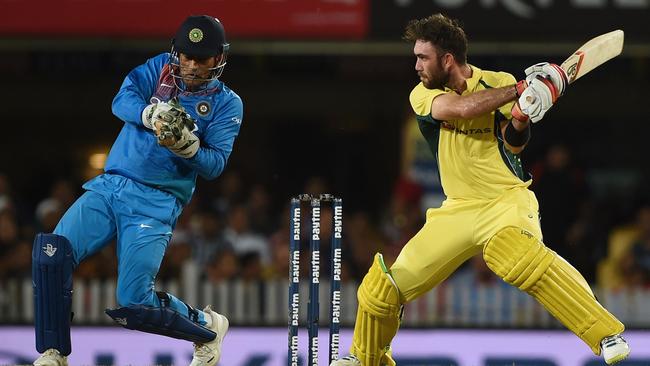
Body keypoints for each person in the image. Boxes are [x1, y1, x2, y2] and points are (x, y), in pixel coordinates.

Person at [332, 14, 629, 366]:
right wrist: (522, 89)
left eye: (422, 58)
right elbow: (459, 109)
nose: (416, 66)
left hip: (507, 200)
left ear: (447, 59)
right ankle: (364, 359)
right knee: (382, 289)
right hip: (457, 209)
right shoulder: (424, 94)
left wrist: (523, 114)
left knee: (516, 257)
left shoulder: (496, 81)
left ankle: (606, 333)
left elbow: (514, 145)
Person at [32, 15, 242, 366]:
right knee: (52, 254)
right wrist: (150, 114)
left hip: (155, 202)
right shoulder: (160, 67)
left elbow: (215, 164)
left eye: (201, 58)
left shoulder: (227, 103)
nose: (190, 65)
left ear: (219, 58)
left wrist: (187, 146)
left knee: (133, 303)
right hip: (111, 186)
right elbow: (121, 99)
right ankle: (53, 353)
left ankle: (207, 327)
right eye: (186, 56)